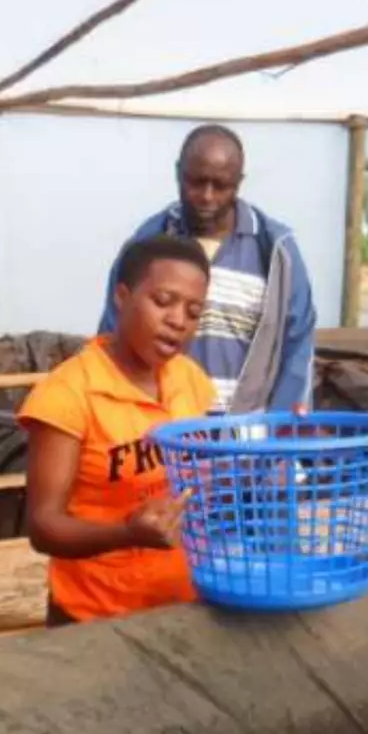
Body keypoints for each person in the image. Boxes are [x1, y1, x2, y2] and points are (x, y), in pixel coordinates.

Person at [21, 236, 217, 626]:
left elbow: (203, 482)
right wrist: (126, 533)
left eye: (193, 311)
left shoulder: (191, 380)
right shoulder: (70, 393)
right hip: (95, 620)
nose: (178, 321)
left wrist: (265, 468)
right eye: (163, 301)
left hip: (183, 607)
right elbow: (43, 527)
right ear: (123, 296)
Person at [98, 124, 317, 416]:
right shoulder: (148, 241)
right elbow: (114, 334)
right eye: (196, 182)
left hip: (247, 442)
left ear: (239, 182)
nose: (207, 196)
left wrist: (283, 435)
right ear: (178, 172)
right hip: (164, 435)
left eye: (221, 185)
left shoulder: (277, 251)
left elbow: (298, 346)